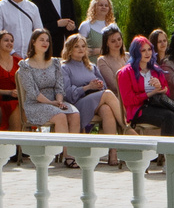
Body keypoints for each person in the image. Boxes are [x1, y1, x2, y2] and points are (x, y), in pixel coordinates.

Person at [56, 31, 131, 168]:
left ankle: (112, 152)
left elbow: (104, 87)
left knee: (107, 109)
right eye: (77, 47)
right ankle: (126, 126)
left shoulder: (91, 66)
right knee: (108, 95)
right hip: (78, 103)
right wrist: (87, 87)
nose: (81, 49)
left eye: (83, 46)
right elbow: (67, 93)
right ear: (70, 49)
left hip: (95, 100)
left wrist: (97, 86)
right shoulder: (65, 67)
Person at [16, 29, 74, 134]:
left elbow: (59, 86)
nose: (45, 43)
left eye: (47, 40)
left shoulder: (55, 62)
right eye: (41, 40)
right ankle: (61, 150)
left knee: (75, 114)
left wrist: (59, 102)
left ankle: (72, 150)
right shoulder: (25, 66)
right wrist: (51, 103)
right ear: (33, 42)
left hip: (55, 102)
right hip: (35, 104)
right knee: (60, 116)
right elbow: (33, 92)